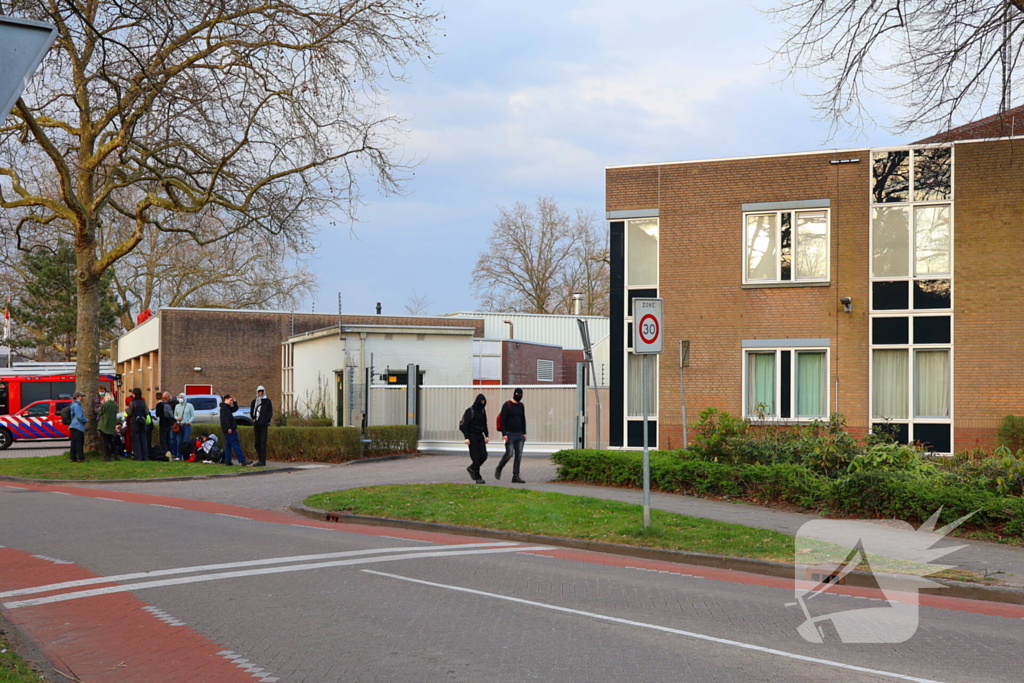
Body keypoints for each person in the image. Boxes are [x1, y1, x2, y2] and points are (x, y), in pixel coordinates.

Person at [495, 388, 527, 483]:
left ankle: (516, 476)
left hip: (519, 434)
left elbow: (522, 419)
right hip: (510, 434)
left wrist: (524, 432)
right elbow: (503, 420)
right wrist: (504, 434)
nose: (519, 396)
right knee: (509, 454)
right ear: (514, 394)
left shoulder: (521, 406)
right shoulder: (507, 405)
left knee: (519, 455)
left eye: (520, 394)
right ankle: (499, 467)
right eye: (517, 394)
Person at [459, 393, 489, 483]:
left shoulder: (483, 411)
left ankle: (472, 468)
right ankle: (477, 477)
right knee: (476, 457)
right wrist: (467, 437)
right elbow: (464, 425)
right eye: (481, 401)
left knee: (483, 455)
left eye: (484, 402)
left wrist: (486, 435)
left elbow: (484, 423)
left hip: (480, 435)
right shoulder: (470, 411)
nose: (482, 403)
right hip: (472, 436)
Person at [219, 394, 249, 466]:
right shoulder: (225, 408)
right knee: (236, 444)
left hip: (228, 429)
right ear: (225, 399)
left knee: (228, 445)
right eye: (230, 400)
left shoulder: (226, 407)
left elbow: (235, 408)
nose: (231, 402)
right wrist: (228, 428)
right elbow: (224, 419)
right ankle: (242, 460)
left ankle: (228, 461)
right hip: (230, 429)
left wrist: (235, 402)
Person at [250, 385, 273, 467]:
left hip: (263, 425)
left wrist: (266, 420)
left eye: (262, 391)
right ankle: (260, 458)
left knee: (263, 442)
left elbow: (270, 412)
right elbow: (252, 411)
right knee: (257, 443)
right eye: (259, 391)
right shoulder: (254, 402)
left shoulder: (267, 402)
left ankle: (262, 461)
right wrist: (253, 419)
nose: (260, 393)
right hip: (256, 424)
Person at [127, 388, 150, 461]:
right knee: (143, 439)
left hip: (135, 422)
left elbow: (130, 413)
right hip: (143, 422)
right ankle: (145, 456)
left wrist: (126, 410)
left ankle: (138, 456)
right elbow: (147, 412)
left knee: (135, 439)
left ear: (134, 394)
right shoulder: (143, 402)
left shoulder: (132, 402)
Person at [171, 392, 194, 460]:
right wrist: (177, 418)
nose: (180, 399)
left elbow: (192, 415)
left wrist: (189, 422)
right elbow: (175, 415)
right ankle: (179, 455)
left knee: (186, 441)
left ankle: (186, 456)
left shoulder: (189, 405)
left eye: (182, 397)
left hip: (186, 425)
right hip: (179, 425)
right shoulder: (177, 406)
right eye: (179, 397)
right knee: (179, 441)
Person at [97, 389, 118, 462]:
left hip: (104, 425)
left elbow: (99, 412)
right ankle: (116, 455)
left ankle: (107, 456)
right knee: (111, 441)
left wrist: (101, 404)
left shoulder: (105, 404)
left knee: (105, 441)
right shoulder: (115, 405)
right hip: (111, 425)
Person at [157, 392, 177, 459]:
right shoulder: (168, 405)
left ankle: (165, 454)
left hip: (163, 424)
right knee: (168, 439)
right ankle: (170, 452)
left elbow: (157, 414)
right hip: (169, 424)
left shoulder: (160, 405)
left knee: (163, 440)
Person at [68, 391, 87, 463]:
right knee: (79, 442)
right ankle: (81, 458)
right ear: (77, 397)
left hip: (73, 425)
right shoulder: (77, 405)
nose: (82, 398)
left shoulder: (73, 404)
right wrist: (85, 420)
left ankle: (73, 457)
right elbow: (79, 416)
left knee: (74, 442)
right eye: (81, 396)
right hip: (78, 426)